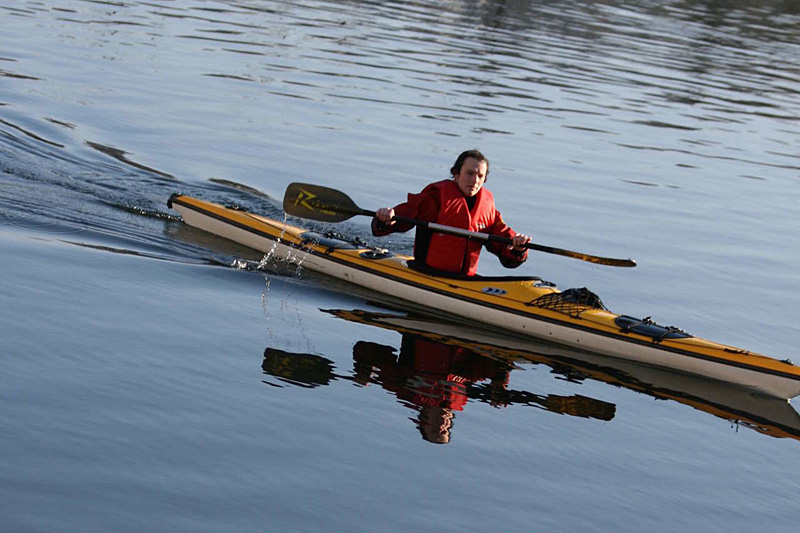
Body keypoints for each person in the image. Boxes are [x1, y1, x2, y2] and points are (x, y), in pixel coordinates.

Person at [372, 149, 531, 276]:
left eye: (480, 176)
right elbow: (405, 214)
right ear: (456, 173)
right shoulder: (436, 198)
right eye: (470, 173)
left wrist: (518, 247)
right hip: (426, 272)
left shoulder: (487, 209)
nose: (475, 180)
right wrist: (386, 218)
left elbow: (505, 244)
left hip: (464, 281)